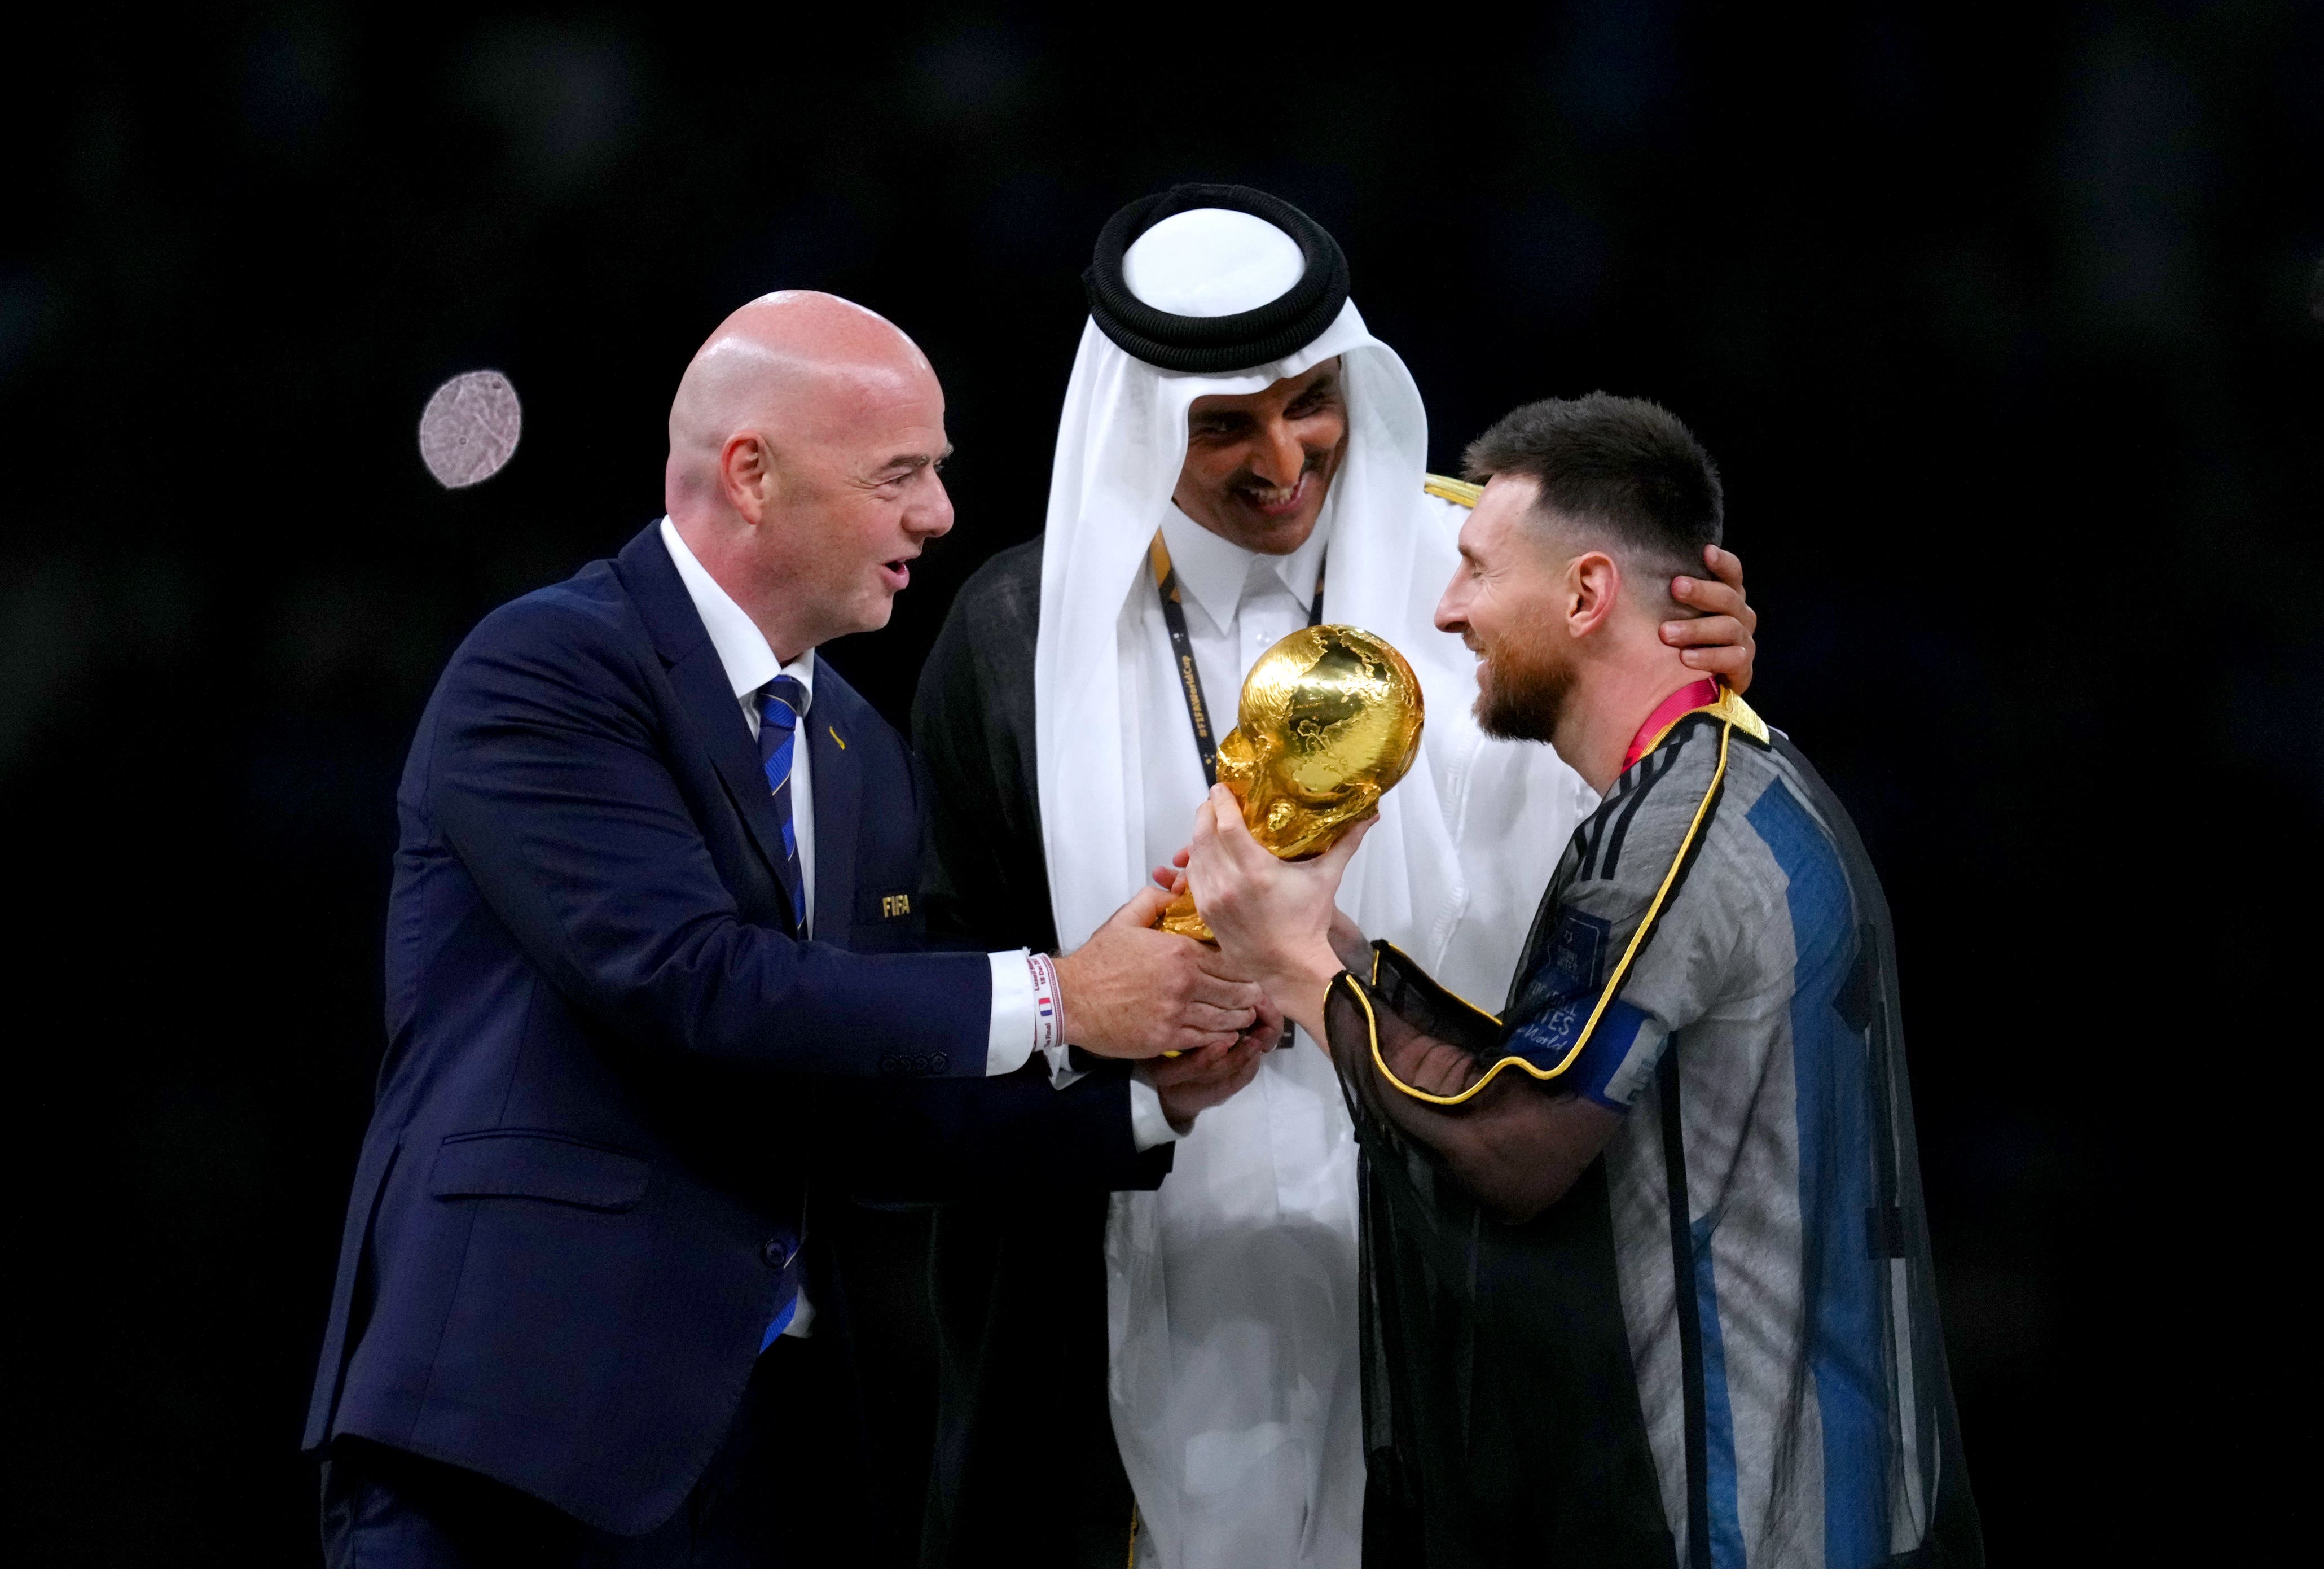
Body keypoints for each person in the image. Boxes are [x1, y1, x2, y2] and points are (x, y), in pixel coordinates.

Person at [300, 291, 1278, 1567]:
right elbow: (687, 979)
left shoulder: (857, 749)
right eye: (900, 474)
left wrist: (1147, 1097)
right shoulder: (547, 667)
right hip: (513, 1429)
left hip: (769, 1456)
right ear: (752, 474)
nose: (940, 513)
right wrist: (1060, 995)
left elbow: (865, 1103)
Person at [912, 188, 1759, 1568]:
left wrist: (1691, 702)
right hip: (1141, 1280)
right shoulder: (1016, 641)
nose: (1282, 458)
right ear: (1141, 426)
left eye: (1311, 402)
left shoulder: (1498, 582)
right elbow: (943, 1021)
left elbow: (1665, 858)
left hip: (1451, 1266)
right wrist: (1094, 1011)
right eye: (1223, 425)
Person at [1185, 393, 1982, 1568]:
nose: (1448, 610)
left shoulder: (1680, 832)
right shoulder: (1712, 786)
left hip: (1742, 1513)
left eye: (1475, 570)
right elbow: (1537, 1067)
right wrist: (1321, 938)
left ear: (1586, 593)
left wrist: (1300, 973)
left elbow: (1514, 1144)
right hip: (1796, 1489)